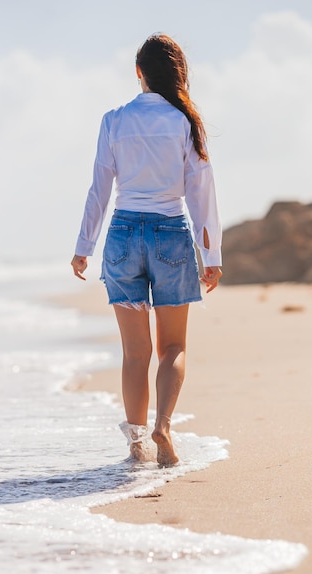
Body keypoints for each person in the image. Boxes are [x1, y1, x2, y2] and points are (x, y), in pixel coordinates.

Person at [71, 34, 222, 466]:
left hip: (121, 236)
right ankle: (164, 426)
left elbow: (99, 188)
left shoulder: (114, 120)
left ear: (139, 72)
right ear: (177, 74)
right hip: (170, 233)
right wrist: (210, 256)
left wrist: (84, 246)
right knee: (172, 347)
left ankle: (136, 445)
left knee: (134, 351)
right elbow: (202, 194)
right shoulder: (184, 122)